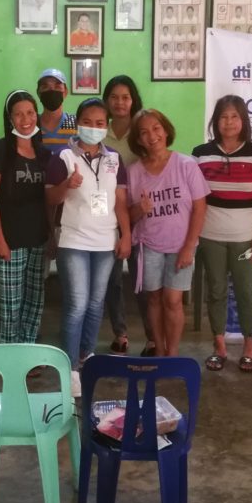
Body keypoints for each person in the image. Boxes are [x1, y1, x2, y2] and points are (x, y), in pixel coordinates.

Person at [47, 99, 131, 378]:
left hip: (106, 241)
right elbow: (50, 199)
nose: (93, 128)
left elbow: (119, 201)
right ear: (77, 123)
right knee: (77, 303)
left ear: (106, 126)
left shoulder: (114, 159)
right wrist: (65, 185)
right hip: (73, 240)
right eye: (87, 122)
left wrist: (126, 234)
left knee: (96, 302)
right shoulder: (63, 157)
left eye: (99, 123)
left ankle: (87, 354)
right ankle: (70, 367)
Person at [193, 95, 252, 372]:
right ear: (216, 120)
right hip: (210, 235)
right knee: (216, 291)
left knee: (247, 291)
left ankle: (249, 348)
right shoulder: (200, 153)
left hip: (245, 237)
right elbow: (195, 196)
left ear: (243, 121)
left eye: (234, 116)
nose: (229, 122)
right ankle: (220, 347)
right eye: (223, 116)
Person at [128, 109, 209, 357]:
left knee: (172, 301)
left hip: (181, 245)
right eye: (144, 132)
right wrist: (139, 209)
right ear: (138, 140)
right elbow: (128, 216)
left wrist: (189, 246)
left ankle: (172, 354)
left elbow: (199, 207)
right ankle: (160, 350)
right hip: (149, 244)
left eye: (156, 128)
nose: (152, 136)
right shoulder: (134, 171)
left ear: (166, 130)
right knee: (153, 299)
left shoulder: (187, 165)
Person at [0, 91, 51, 346]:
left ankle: (28, 350)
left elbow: (48, 199)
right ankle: (8, 354)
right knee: (10, 304)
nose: (26, 119)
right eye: (18, 114)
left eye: (31, 113)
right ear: (10, 118)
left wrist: (51, 237)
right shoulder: (1, 149)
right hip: (10, 240)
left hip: (38, 238)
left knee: (35, 300)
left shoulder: (43, 153)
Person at [101, 76, 155, 356]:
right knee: (112, 280)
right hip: (108, 219)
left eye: (125, 97)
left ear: (133, 100)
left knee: (142, 281)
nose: (120, 102)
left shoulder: (142, 133)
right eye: (114, 97)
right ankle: (120, 334)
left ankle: (152, 337)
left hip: (142, 217)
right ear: (106, 101)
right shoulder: (99, 132)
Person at [37, 68, 77, 150]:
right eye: (45, 87)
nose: (51, 90)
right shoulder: (32, 124)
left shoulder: (76, 123)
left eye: (57, 86)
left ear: (65, 92)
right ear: (38, 93)